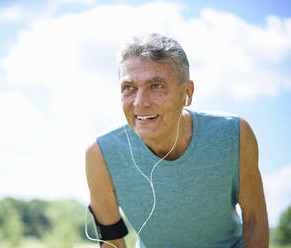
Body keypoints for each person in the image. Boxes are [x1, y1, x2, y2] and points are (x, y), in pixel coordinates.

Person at [85, 33, 269, 248]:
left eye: (156, 86)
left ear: (187, 93)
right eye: (129, 87)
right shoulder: (100, 153)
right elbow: (111, 241)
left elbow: (255, 219)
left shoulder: (234, 134)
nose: (140, 102)